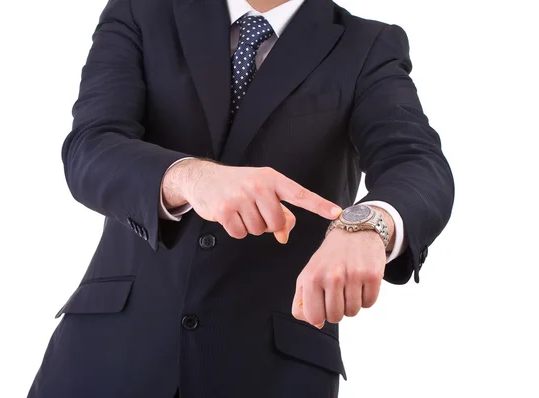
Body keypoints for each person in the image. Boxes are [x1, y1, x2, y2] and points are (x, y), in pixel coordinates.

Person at [28, 0, 454, 396]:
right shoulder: (143, 9)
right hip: (104, 358)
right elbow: (91, 146)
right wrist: (192, 178)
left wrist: (367, 225)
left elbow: (415, 160)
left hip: (270, 372)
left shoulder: (368, 45)